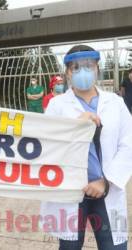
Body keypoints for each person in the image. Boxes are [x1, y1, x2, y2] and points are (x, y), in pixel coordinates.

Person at [41, 45, 132, 250]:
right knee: (70, 246)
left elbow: (129, 145)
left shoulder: (115, 103)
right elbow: (48, 147)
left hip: (106, 190)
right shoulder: (57, 106)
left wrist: (106, 182)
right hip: (72, 191)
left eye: (88, 66)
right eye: (76, 67)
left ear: (97, 69)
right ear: (67, 72)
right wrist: (76, 125)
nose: (83, 71)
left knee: (113, 247)